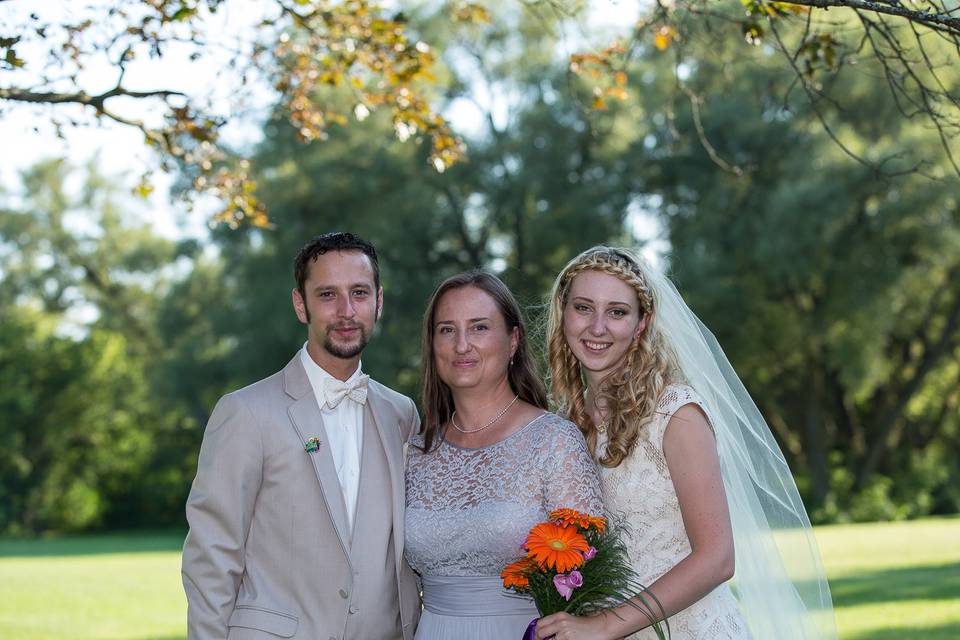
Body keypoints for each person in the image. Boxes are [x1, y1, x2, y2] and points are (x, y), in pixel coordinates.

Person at [536, 246, 837, 640]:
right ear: (564, 315)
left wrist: (605, 625)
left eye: (617, 312)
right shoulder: (564, 425)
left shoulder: (675, 413)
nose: (597, 327)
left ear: (642, 323)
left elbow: (717, 558)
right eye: (583, 308)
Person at [181, 232, 420, 640]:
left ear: (378, 301)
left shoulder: (401, 413)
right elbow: (212, 555)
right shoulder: (245, 413)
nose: (347, 311)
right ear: (300, 304)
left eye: (359, 293)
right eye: (328, 295)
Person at [404, 270, 604, 639]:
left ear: (513, 340)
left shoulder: (553, 441)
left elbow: (592, 578)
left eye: (479, 327)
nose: (461, 345)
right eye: (447, 330)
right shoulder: (415, 452)